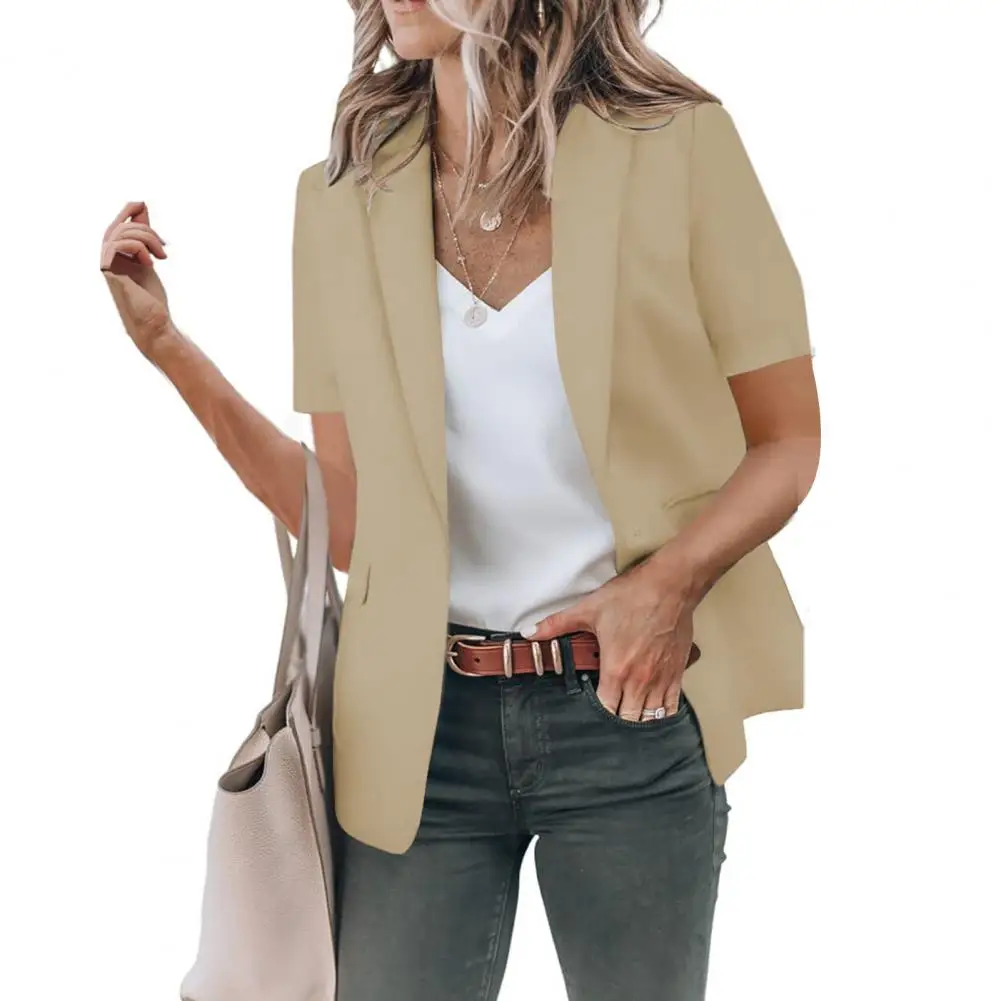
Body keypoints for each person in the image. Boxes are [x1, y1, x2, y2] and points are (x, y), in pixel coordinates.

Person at [100, 0, 821, 997]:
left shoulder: (678, 147)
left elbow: (787, 441)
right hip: (418, 729)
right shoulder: (340, 195)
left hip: (628, 703)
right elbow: (348, 521)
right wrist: (171, 352)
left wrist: (669, 586)